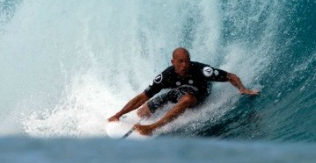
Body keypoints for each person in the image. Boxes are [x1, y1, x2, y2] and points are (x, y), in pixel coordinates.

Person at [108, 47, 259, 136]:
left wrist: (242, 88)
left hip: (198, 95)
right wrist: (118, 115)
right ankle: (133, 117)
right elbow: (143, 96)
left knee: (187, 99)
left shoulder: (202, 70)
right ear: (173, 62)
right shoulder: (166, 75)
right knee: (142, 112)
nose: (184, 65)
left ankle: (153, 127)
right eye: (180, 62)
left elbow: (230, 76)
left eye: (187, 61)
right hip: (178, 92)